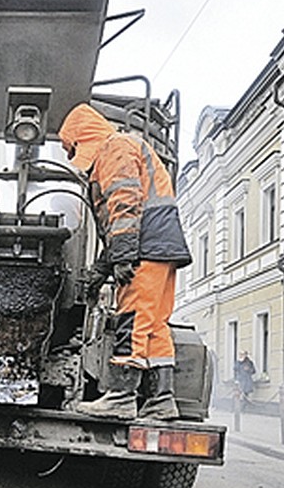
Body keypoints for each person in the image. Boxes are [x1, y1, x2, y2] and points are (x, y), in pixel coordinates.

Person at [58, 102, 191, 421]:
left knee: (131, 320)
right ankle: (161, 400)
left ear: (84, 139)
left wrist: (125, 257)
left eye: (75, 149)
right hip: (161, 248)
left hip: (145, 249)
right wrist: (101, 270)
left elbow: (124, 207)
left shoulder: (114, 148)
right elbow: (121, 225)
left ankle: (121, 397)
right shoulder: (127, 145)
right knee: (154, 326)